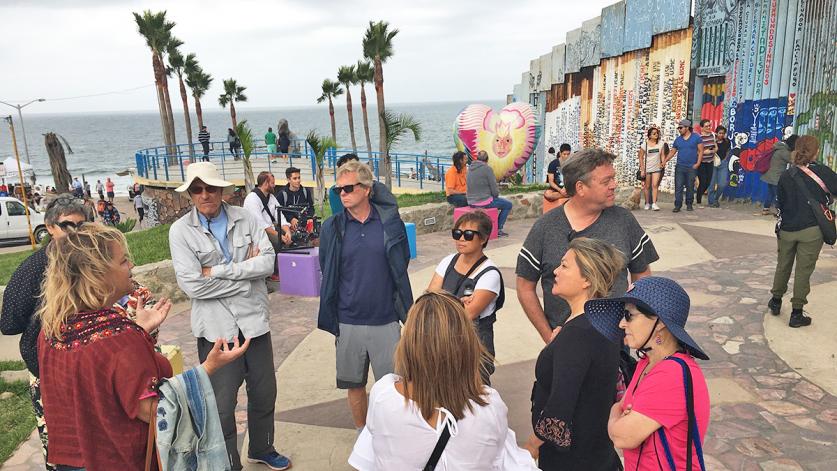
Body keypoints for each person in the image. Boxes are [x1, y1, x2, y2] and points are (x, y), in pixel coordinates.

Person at [37, 223, 250, 470]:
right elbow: (155, 412)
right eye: (124, 261)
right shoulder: (120, 338)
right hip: (117, 460)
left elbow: (97, 380)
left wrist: (140, 330)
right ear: (97, 273)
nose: (132, 266)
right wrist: (207, 369)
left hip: (70, 461)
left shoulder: (53, 330)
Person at [169, 162, 292, 470]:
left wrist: (220, 272)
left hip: (254, 324)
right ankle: (227, 462)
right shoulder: (181, 231)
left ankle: (262, 447)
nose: (205, 194)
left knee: (264, 391)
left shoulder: (245, 217)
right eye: (197, 189)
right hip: (216, 332)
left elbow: (267, 262)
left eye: (210, 187)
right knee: (222, 405)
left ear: (221, 190)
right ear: (190, 194)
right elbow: (191, 285)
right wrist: (245, 280)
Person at [348, 292, 537, 471]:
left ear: (408, 345)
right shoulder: (489, 406)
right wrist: (530, 448)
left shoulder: (384, 396)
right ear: (467, 345)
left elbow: (364, 462)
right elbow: (509, 462)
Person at [516, 148, 659, 343]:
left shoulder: (624, 221)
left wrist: (637, 326)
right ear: (580, 187)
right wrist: (549, 338)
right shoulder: (545, 227)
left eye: (613, 178)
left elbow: (642, 278)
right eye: (606, 181)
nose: (614, 185)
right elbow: (524, 287)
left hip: (615, 345)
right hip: (566, 343)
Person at [318, 160, 413, 431]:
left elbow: (401, 261)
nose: (343, 194)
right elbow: (328, 267)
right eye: (338, 190)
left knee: (394, 385)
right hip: (348, 321)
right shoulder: (332, 227)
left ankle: (392, 434)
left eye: (348, 188)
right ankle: (363, 434)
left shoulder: (389, 224)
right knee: (354, 385)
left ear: (367, 189)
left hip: (386, 319)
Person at [0, 196, 90, 470]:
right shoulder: (32, 269)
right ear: (50, 227)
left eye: (81, 226)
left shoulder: (91, 263)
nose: (74, 233)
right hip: (48, 371)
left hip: (87, 369)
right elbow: (9, 323)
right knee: (61, 448)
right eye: (67, 226)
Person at [586, 276, 710, 471]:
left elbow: (622, 436)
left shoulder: (671, 375)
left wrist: (617, 420)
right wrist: (621, 415)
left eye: (629, 315)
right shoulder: (647, 362)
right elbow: (619, 408)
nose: (621, 324)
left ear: (659, 322)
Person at [523, 237, 625, 469]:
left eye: (565, 265)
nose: (555, 272)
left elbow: (560, 406)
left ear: (587, 279)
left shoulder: (578, 333)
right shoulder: (600, 323)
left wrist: (531, 445)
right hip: (597, 451)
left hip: (572, 460)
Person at [427, 210, 502, 384]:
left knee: (474, 396)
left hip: (474, 347)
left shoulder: (490, 274)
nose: (461, 239)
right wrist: (457, 303)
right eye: (457, 233)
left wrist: (442, 302)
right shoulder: (448, 261)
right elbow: (429, 299)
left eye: (468, 235)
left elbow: (467, 315)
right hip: (444, 342)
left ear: (483, 239)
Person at [769, 135, 837, 328]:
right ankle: (796, 313)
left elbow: (779, 202)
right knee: (803, 271)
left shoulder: (786, 175)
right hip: (812, 230)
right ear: (815, 151)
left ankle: (775, 301)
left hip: (787, 229)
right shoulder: (823, 172)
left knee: (783, 265)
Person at [243, 171, 292, 281]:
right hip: (256, 232)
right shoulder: (252, 199)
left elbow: (280, 216)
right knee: (277, 240)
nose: (274, 185)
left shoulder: (271, 197)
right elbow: (261, 225)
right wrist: (280, 235)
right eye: (272, 183)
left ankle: (283, 267)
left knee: (291, 236)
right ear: (265, 183)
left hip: (270, 228)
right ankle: (272, 272)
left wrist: (287, 231)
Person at [466, 150, 513, 237]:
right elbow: (494, 190)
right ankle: (498, 229)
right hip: (483, 201)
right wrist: (495, 196)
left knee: (499, 202)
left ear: (477, 158)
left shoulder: (470, 168)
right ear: (487, 160)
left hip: (470, 201)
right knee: (508, 205)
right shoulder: (487, 169)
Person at [663, 119, 704, 213]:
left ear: (687, 128)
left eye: (681, 128)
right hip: (680, 166)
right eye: (678, 128)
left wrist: (698, 163)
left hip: (691, 167)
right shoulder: (678, 140)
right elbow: (672, 152)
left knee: (690, 186)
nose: (679, 130)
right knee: (678, 186)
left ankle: (689, 204)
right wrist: (665, 160)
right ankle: (677, 205)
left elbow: (701, 151)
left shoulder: (696, 138)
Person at [758, 134, 796, 216]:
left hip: (770, 175)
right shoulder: (784, 151)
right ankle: (779, 211)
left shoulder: (778, 147)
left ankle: (766, 209)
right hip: (776, 176)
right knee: (778, 194)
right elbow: (793, 161)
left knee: (770, 193)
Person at [638, 126, 667, 211]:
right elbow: (640, 157)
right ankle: (647, 203)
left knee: (655, 185)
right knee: (647, 186)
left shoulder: (661, 143)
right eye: (654, 133)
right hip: (647, 168)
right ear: (649, 135)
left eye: (657, 133)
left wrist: (663, 162)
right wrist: (642, 169)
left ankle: (654, 203)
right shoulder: (645, 145)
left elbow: (662, 154)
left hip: (657, 168)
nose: (656, 135)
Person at [707, 125, 732, 208]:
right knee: (711, 184)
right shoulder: (711, 141)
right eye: (720, 133)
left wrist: (725, 159)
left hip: (723, 164)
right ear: (716, 133)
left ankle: (715, 198)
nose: (721, 135)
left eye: (723, 133)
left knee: (722, 184)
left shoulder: (727, 142)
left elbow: (728, 151)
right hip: (712, 164)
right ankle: (711, 202)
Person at [695, 119, 717, 207]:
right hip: (701, 162)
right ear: (702, 128)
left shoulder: (712, 135)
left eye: (709, 126)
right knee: (703, 181)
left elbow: (716, 147)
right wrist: (704, 152)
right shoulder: (699, 138)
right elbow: (696, 151)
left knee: (708, 182)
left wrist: (713, 151)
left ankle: (699, 195)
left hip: (710, 161)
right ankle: (698, 200)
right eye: (706, 126)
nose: (708, 127)